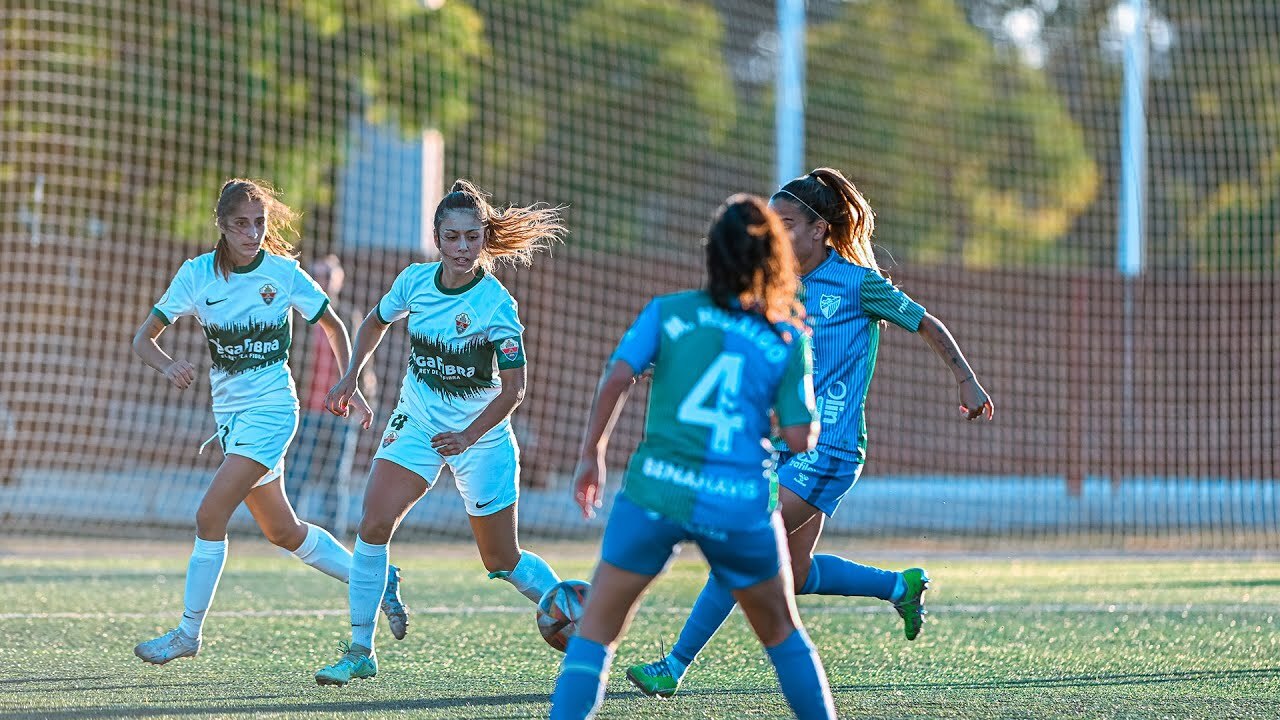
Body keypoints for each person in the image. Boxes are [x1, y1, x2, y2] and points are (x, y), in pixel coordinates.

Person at [627, 167, 995, 697]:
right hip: (782, 446)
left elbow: (927, 322)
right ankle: (900, 586)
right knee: (793, 574)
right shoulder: (776, 286)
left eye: (788, 225)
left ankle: (674, 666)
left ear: (820, 229)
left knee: (742, 537)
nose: (777, 237)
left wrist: (967, 380)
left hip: (832, 450)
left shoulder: (857, 282)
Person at [549, 195, 836, 720]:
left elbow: (617, 377)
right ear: (774, 259)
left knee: (596, 634)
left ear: (713, 254)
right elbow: (801, 440)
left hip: (656, 489)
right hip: (739, 504)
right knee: (784, 636)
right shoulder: (786, 335)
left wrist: (593, 454)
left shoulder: (670, 311)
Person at [130, 178, 408, 666]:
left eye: (259, 224)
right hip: (231, 419)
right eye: (241, 224)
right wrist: (167, 363)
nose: (252, 233)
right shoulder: (196, 275)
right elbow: (143, 340)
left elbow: (333, 323)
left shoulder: (282, 273)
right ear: (222, 225)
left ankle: (188, 634)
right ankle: (378, 580)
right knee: (284, 531)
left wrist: (351, 385)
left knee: (209, 515)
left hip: (275, 411)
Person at [315, 179, 569, 686]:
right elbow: (374, 321)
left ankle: (573, 612)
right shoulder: (413, 281)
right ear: (436, 237)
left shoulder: (497, 304)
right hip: (418, 420)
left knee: (501, 560)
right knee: (372, 522)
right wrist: (349, 375)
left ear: (484, 238)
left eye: (471, 237)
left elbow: (514, 390)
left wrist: (469, 437)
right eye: (451, 237)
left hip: (484, 435)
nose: (461, 248)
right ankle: (360, 649)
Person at [286, 254, 376, 529]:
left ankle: (334, 536)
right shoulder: (300, 318)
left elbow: (364, 363)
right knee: (295, 474)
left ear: (339, 279)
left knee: (337, 478)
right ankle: (287, 532)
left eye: (328, 274)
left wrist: (365, 398)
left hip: (341, 413)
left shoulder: (348, 317)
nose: (323, 280)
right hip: (306, 410)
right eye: (318, 275)